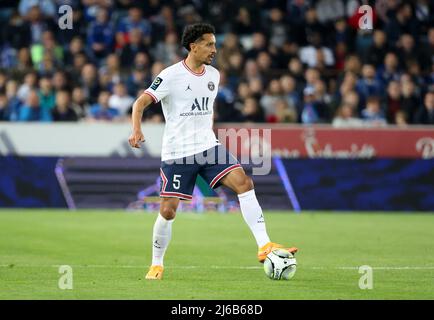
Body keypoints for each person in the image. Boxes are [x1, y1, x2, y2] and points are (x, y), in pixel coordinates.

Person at [128, 23, 298, 280]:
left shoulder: (214, 76)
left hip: (208, 147)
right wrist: (136, 131)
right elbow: (140, 103)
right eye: (209, 44)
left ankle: (264, 245)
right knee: (168, 210)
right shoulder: (170, 76)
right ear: (193, 46)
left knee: (244, 182)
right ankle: (156, 264)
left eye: (215, 44)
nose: (214, 50)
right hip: (178, 153)